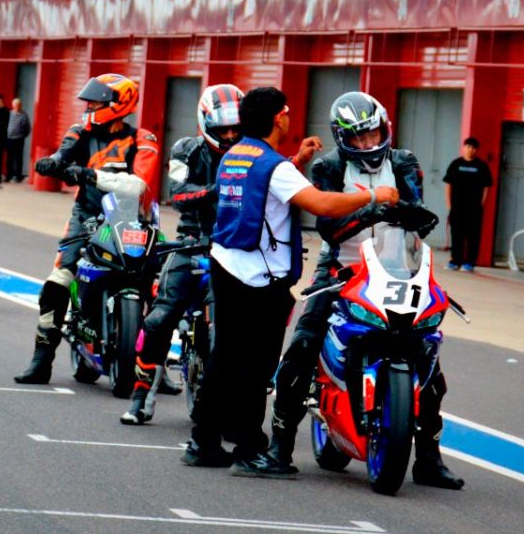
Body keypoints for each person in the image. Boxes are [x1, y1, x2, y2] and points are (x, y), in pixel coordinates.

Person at [183, 86, 392, 477]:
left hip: (226, 266)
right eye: (288, 111)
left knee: (223, 360)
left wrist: (297, 161)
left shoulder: (236, 155)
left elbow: (264, 188)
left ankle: (203, 443)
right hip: (257, 279)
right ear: (279, 117)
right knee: (254, 367)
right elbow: (322, 203)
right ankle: (249, 450)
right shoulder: (274, 167)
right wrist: (374, 196)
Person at [263, 91, 462, 489]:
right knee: (303, 345)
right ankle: (279, 448)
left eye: (373, 133)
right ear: (342, 137)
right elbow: (329, 228)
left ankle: (428, 459)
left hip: (397, 265)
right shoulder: (328, 167)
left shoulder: (404, 162)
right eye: (358, 137)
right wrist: (373, 208)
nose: (369, 142)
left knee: (428, 354)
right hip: (342, 266)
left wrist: (408, 213)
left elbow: (420, 216)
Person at [13, 74, 161, 385]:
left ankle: (154, 359)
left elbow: (138, 185)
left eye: (96, 103)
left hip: (135, 218)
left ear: (119, 104)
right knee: (58, 281)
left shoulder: (143, 138)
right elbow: (62, 155)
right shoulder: (80, 132)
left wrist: (89, 175)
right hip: (88, 216)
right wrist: (52, 163)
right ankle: (42, 359)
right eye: (89, 102)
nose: (89, 107)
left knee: (159, 284)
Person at [121, 84, 243, 426]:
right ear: (206, 123)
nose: (230, 136)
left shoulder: (253, 153)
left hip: (238, 249)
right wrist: (217, 190)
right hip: (191, 242)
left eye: (235, 128)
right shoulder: (185, 149)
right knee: (160, 317)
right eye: (223, 129)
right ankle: (141, 396)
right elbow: (178, 194)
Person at [443, 136, 492, 272]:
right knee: (456, 234)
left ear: (476, 150)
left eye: (473, 148)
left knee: (473, 236)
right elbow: (448, 184)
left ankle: (469, 262)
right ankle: (455, 261)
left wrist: (481, 204)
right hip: (457, 207)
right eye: (468, 147)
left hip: (474, 209)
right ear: (464, 148)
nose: (470, 150)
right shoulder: (455, 164)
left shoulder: (481, 166)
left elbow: (486, 187)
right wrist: (449, 204)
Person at [5, 98, 31, 183]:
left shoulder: (23, 115)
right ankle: (9, 175)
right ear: (13, 105)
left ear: (20, 106)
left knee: (18, 158)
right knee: (9, 158)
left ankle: (18, 176)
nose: (17, 106)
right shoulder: (9, 114)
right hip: (9, 139)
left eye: (18, 105)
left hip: (19, 139)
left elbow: (28, 128)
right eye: (15, 105)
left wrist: (22, 136)